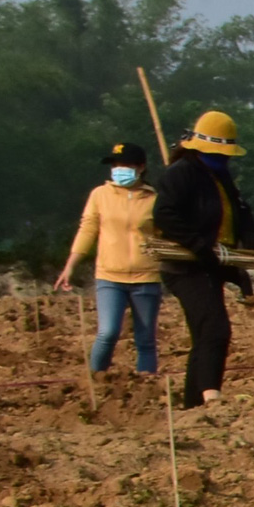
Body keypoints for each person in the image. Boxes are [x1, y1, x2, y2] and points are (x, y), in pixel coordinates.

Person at [150, 111, 254, 408]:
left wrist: (249, 237)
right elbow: (164, 214)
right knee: (214, 328)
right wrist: (198, 245)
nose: (223, 159)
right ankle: (211, 398)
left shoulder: (220, 175)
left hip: (213, 264)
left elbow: (239, 208)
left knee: (205, 334)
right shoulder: (181, 173)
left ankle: (194, 405)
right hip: (185, 266)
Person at [55, 142, 163, 375]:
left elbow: (166, 234)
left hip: (146, 277)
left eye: (125, 164)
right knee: (108, 332)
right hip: (109, 276)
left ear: (141, 167)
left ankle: (148, 387)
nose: (119, 169)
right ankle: (97, 380)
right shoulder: (100, 195)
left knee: (145, 340)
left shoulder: (155, 199)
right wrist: (70, 265)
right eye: (116, 165)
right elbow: (88, 230)